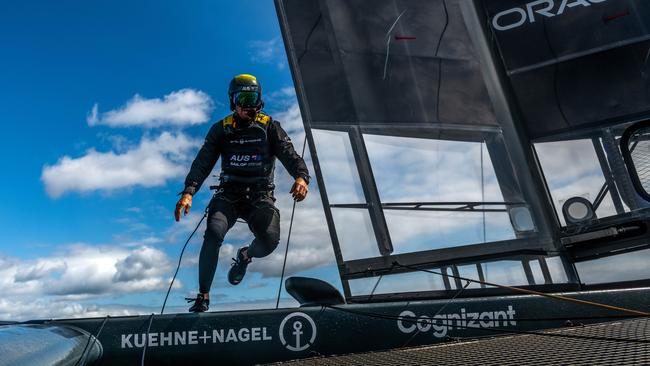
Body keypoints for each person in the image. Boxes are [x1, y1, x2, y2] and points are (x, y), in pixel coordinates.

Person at [174, 74, 310, 312]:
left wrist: (301, 177)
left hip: (260, 196)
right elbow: (202, 162)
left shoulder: (270, 126)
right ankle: (203, 296)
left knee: (270, 241)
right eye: (242, 98)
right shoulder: (222, 129)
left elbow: (290, 155)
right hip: (228, 195)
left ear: (260, 100)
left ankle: (245, 255)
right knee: (213, 234)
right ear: (232, 101)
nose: (249, 105)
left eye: (253, 98)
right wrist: (189, 191)